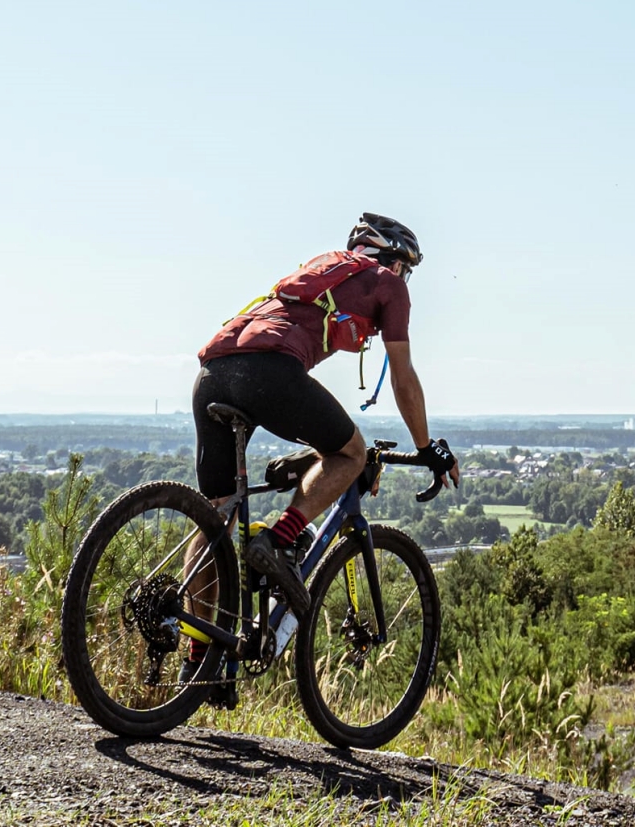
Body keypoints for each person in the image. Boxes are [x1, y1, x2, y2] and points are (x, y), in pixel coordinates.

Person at [189, 212, 459, 625]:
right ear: (395, 261)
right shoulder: (387, 284)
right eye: (407, 269)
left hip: (213, 372)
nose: (405, 279)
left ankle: (199, 656)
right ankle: (279, 542)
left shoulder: (323, 271)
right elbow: (403, 378)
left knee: (217, 516)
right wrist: (428, 449)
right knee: (352, 453)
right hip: (268, 370)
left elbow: (295, 398)